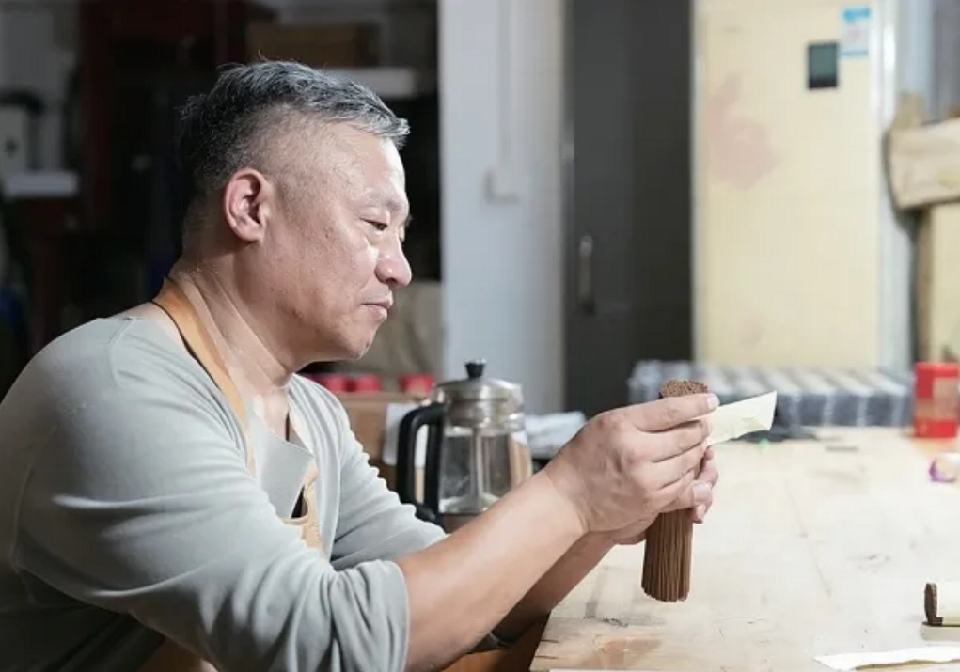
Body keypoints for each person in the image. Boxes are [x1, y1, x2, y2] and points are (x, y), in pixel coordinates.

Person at [0, 61, 719, 672]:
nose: (399, 268)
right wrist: (567, 493)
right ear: (250, 206)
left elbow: (464, 607)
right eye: (376, 225)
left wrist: (603, 517)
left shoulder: (309, 413)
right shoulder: (115, 388)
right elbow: (325, 643)